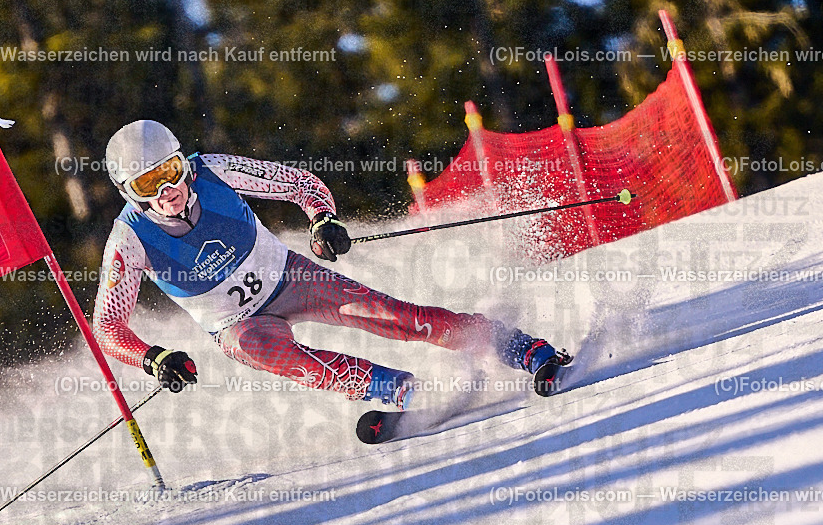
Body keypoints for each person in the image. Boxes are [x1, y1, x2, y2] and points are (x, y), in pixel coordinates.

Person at [93, 120, 570, 410]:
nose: (166, 191)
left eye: (170, 172)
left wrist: (322, 220)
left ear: (182, 162)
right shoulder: (129, 239)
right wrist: (153, 357)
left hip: (291, 278)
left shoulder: (212, 168)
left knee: (401, 320)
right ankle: (397, 390)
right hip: (237, 324)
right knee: (274, 353)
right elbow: (108, 327)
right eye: (146, 186)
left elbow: (299, 184)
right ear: (128, 194)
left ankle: (522, 348)